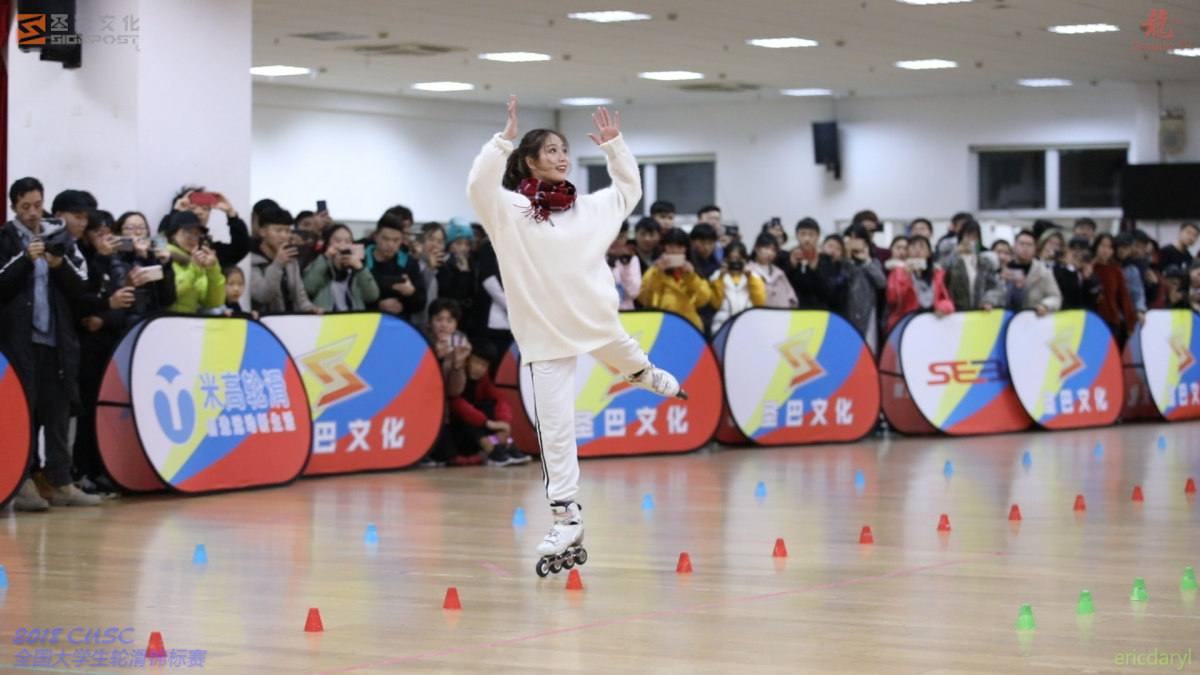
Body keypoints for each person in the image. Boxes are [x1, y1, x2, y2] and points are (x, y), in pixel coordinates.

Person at [466, 96, 687, 567]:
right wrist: (500, 140)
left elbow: (628, 190)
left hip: (597, 322)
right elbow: (477, 184)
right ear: (528, 161)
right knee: (557, 431)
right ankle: (567, 518)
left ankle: (645, 374)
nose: (561, 156)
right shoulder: (509, 211)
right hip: (546, 336)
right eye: (550, 150)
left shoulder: (590, 209)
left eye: (564, 149)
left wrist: (615, 147)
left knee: (628, 357)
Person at [0, 177, 99, 509]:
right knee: (23, 413)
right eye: (25, 206)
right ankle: (23, 480)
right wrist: (25, 259)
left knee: (58, 411)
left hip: (57, 341)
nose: (32, 212)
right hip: (18, 341)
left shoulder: (61, 239)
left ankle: (61, 481)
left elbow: (82, 283)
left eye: (37, 205)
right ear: (14, 207)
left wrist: (57, 263)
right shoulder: (5, 238)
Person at [448, 341, 532, 467]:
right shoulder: (457, 374)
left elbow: (500, 398)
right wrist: (488, 423)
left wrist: (503, 423)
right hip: (457, 429)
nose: (479, 368)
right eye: (476, 362)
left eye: (483, 365)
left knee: (490, 404)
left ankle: (500, 442)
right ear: (467, 360)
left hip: (478, 425)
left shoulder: (484, 379)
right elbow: (456, 404)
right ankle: (493, 448)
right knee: (470, 417)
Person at [639, 227, 712, 331]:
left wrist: (692, 277)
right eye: (670, 246)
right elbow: (644, 299)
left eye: (680, 246)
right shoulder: (655, 271)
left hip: (690, 325)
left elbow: (704, 299)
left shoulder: (693, 270)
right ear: (665, 247)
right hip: (662, 325)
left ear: (686, 249)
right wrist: (657, 274)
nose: (675, 250)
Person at [250, 207, 319, 315]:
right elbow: (262, 295)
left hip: (291, 322)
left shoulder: (291, 259)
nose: (284, 236)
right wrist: (277, 264)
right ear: (263, 232)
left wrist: (311, 309)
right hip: (264, 325)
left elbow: (300, 297)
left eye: (287, 231)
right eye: (278, 231)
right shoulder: (252, 261)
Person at [365, 210, 426, 323]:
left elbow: (421, 303)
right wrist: (378, 306)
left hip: (400, 325)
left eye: (396, 240)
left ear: (402, 240)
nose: (390, 244)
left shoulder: (409, 263)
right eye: (386, 239)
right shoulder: (361, 260)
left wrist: (411, 293)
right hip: (367, 323)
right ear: (376, 237)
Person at [304, 224, 380, 312]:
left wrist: (360, 269)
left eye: (348, 241)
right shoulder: (319, 263)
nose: (342, 245)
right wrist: (325, 259)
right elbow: (309, 288)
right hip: (326, 319)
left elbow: (372, 296)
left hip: (353, 320)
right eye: (337, 241)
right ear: (327, 243)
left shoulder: (357, 267)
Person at [885, 235, 954, 331]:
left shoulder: (939, 274)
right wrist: (904, 275)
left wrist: (943, 307)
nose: (917, 251)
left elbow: (947, 299)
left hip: (933, 322)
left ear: (929, 253)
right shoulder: (898, 272)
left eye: (922, 247)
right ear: (908, 252)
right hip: (904, 323)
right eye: (913, 247)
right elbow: (893, 298)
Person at [163, 210, 226, 314]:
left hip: (190, 323)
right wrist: (194, 269)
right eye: (187, 232)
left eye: (197, 234)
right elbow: (170, 293)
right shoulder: (164, 257)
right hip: (165, 321)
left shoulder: (197, 261)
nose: (192, 237)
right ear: (173, 234)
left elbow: (214, 302)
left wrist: (212, 269)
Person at [171, 186, 250, 269]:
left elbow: (241, 249)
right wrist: (175, 213)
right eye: (193, 208)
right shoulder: (168, 244)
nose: (199, 212)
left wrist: (232, 215)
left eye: (205, 208)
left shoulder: (209, 250)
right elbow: (159, 244)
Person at [841, 224, 887, 353]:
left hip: (868, 312)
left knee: (868, 349)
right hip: (846, 312)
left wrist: (867, 261)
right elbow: (843, 281)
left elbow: (882, 283)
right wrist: (847, 257)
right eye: (851, 238)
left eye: (858, 238)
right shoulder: (842, 262)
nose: (854, 242)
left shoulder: (872, 262)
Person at [942, 220, 1004, 311]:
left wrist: (988, 300)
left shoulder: (985, 262)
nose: (971, 241)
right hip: (955, 312)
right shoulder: (951, 260)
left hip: (980, 312)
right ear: (961, 238)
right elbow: (941, 275)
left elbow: (995, 286)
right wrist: (955, 253)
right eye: (968, 236)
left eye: (975, 237)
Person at [709, 241, 764, 334]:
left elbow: (759, 301)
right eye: (731, 259)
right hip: (722, 325)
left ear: (745, 260)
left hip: (747, 324)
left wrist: (750, 276)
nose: (734, 263)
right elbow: (715, 303)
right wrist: (721, 277)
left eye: (738, 259)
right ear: (725, 260)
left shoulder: (754, 276)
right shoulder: (716, 276)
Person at [1004, 229, 1062, 316]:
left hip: (1033, 317)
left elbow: (1055, 297)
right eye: (1022, 244)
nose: (1025, 248)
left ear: (1035, 249)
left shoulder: (1043, 272)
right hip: (1006, 317)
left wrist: (1045, 305)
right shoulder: (1005, 268)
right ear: (1014, 247)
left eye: (1029, 245)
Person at [748, 232, 798, 309]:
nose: (770, 253)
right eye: (766, 248)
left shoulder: (779, 273)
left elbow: (792, 299)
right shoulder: (748, 271)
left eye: (773, 250)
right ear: (756, 248)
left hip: (782, 317)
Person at [1053, 236, 1102, 312]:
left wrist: (1089, 279)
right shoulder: (1059, 268)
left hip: (1084, 315)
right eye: (1074, 249)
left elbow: (1095, 297)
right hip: (1063, 314)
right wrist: (1070, 268)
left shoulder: (1089, 271)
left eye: (1082, 250)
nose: (1077, 254)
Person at [1114, 233, 1147, 324]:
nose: (1121, 250)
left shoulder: (1132, 270)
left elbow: (1138, 293)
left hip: (1125, 315)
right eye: (1119, 247)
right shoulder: (1107, 266)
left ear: (1130, 249)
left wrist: (1139, 310)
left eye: (1125, 247)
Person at [607, 227, 642, 311]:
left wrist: (626, 266)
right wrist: (610, 266)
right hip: (605, 310)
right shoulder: (598, 258)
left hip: (627, 312)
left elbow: (633, 293)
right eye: (613, 236)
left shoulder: (632, 259)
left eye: (621, 238)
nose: (616, 242)